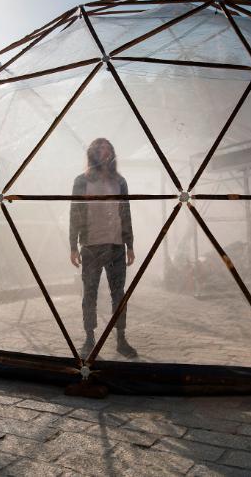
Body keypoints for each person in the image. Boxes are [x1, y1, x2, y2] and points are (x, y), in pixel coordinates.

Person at [69, 138, 138, 359]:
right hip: (90, 247)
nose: (105, 153)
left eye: (108, 149)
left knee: (118, 294)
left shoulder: (120, 182)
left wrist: (130, 245)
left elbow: (125, 213)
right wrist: (73, 246)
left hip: (116, 246)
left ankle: (121, 338)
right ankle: (89, 338)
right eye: (100, 149)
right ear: (92, 154)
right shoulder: (81, 181)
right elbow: (75, 213)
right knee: (89, 294)